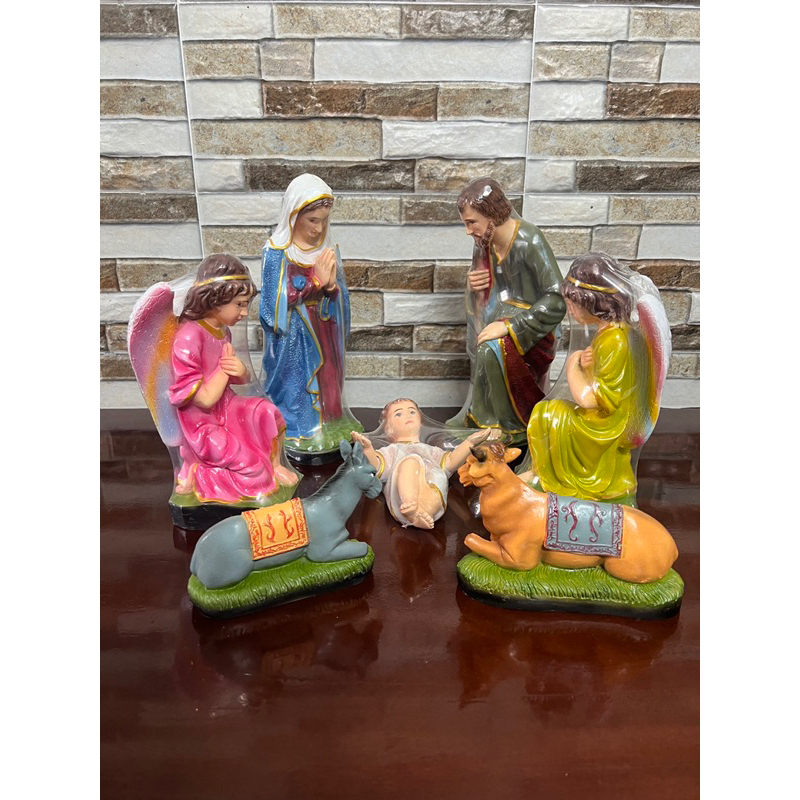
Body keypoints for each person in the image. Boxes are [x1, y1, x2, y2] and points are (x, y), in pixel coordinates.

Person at [526, 253, 663, 505]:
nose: (569, 310)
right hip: (603, 417)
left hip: (606, 425)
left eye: (573, 303)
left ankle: (559, 478)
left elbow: (590, 401)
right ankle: (541, 473)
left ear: (593, 303)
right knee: (546, 412)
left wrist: (573, 365)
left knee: (547, 415)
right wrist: (588, 365)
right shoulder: (610, 334)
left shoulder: (615, 341)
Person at [169, 254, 298, 503]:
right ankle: (196, 473)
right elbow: (204, 399)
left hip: (227, 407)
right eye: (239, 304)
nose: (245, 312)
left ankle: (275, 465)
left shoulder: (222, 331)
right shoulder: (188, 337)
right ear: (215, 299)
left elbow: (232, 378)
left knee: (268, 412)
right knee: (257, 478)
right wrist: (224, 371)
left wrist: (241, 372)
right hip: (202, 425)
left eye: (246, 304)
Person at [447, 178, 566, 444]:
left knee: (491, 348)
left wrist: (510, 326)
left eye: (471, 223)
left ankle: (506, 426)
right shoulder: (484, 242)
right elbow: (484, 299)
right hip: (498, 317)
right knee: (484, 342)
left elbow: (557, 299)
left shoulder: (529, 240)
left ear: (491, 215)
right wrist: (473, 287)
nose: (468, 231)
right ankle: (482, 419)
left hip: (534, 328)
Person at [260, 174, 361, 459]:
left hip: (325, 328)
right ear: (294, 216)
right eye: (312, 220)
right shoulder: (277, 253)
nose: (318, 228)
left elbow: (341, 297)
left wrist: (331, 289)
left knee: (327, 378)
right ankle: (299, 428)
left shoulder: (328, 250)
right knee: (296, 384)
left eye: (324, 221)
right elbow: (271, 309)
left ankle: (327, 422)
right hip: (293, 339)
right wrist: (315, 282)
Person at [353, 399, 495, 529]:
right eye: (398, 414)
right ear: (388, 428)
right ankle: (410, 504)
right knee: (410, 461)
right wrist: (367, 449)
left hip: (429, 496)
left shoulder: (431, 450)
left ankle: (423, 511)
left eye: (412, 412)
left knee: (438, 477)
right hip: (403, 498)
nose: (407, 416)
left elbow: (451, 462)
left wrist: (470, 442)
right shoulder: (392, 450)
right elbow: (377, 467)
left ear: (421, 421)